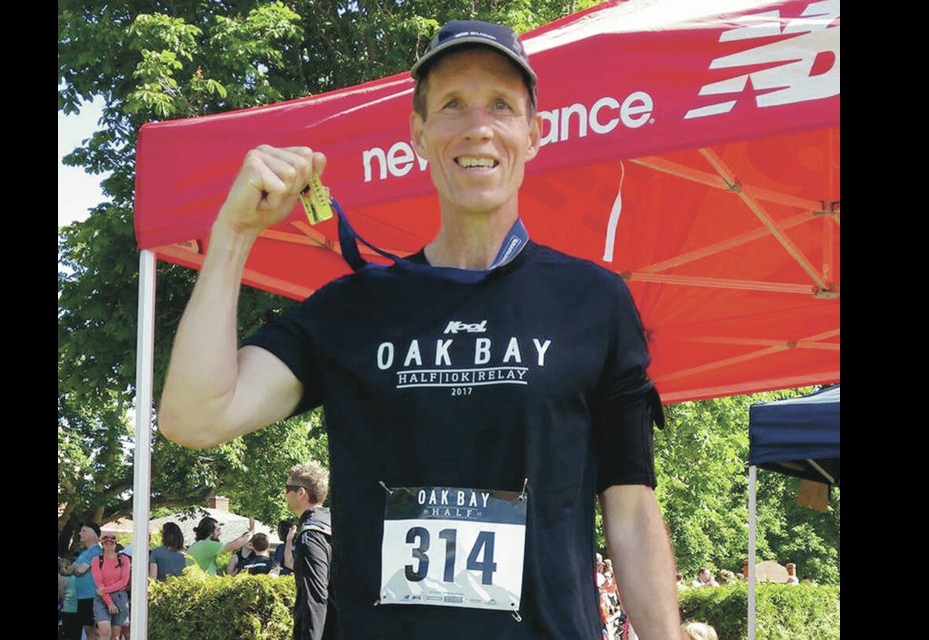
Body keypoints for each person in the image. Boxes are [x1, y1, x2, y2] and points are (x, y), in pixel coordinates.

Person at [158, 17, 682, 639]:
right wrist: (234, 235)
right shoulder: (351, 309)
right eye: (452, 104)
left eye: (501, 106)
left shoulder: (594, 302)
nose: (477, 126)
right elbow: (193, 416)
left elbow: (629, 508)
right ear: (419, 132)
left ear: (533, 134)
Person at [284, 462, 337, 639]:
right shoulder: (334, 523)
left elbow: (314, 599)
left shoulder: (311, 534)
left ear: (301, 493)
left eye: (287, 488)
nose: (284, 493)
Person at [91, 533, 131, 640]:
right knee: (105, 632)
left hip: (119, 596)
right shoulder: (96, 560)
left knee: (115, 636)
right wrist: (109, 602)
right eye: (106, 544)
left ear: (115, 545)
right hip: (102, 598)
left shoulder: (123, 559)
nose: (109, 547)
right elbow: (99, 582)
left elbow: (124, 581)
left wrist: (105, 590)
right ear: (102, 545)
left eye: (111, 544)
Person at [70, 522, 104, 640]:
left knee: (95, 632)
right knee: (88, 631)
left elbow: (80, 570)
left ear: (93, 534)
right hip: (82, 597)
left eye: (83, 531)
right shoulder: (84, 553)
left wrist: (74, 567)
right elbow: (70, 570)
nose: (80, 533)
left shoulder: (96, 551)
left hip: (92, 596)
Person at [187, 516, 253, 575]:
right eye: (218, 530)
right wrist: (252, 531)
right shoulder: (207, 545)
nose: (220, 533)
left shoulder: (196, 545)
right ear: (210, 533)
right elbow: (234, 545)